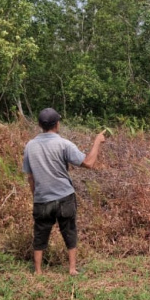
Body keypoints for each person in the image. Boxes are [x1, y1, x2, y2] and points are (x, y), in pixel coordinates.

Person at [23, 108, 106, 275]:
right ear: (57, 124)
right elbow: (88, 163)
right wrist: (97, 141)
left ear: (40, 125)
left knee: (40, 233)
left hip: (42, 198)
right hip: (64, 196)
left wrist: (36, 195)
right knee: (69, 230)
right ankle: (72, 269)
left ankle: (38, 271)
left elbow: (30, 177)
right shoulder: (63, 144)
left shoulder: (30, 146)